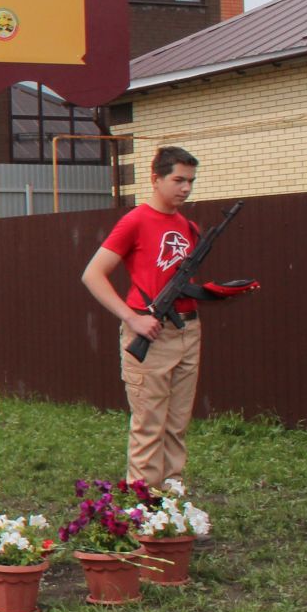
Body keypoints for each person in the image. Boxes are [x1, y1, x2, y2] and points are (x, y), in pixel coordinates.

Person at [81, 146, 204, 489]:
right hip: (149, 335)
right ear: (156, 178)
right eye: (178, 180)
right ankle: (145, 513)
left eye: (191, 181)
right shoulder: (135, 220)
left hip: (187, 332)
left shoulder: (187, 226)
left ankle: (173, 508)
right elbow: (93, 275)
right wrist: (132, 319)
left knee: (177, 424)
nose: (186, 188)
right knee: (149, 425)